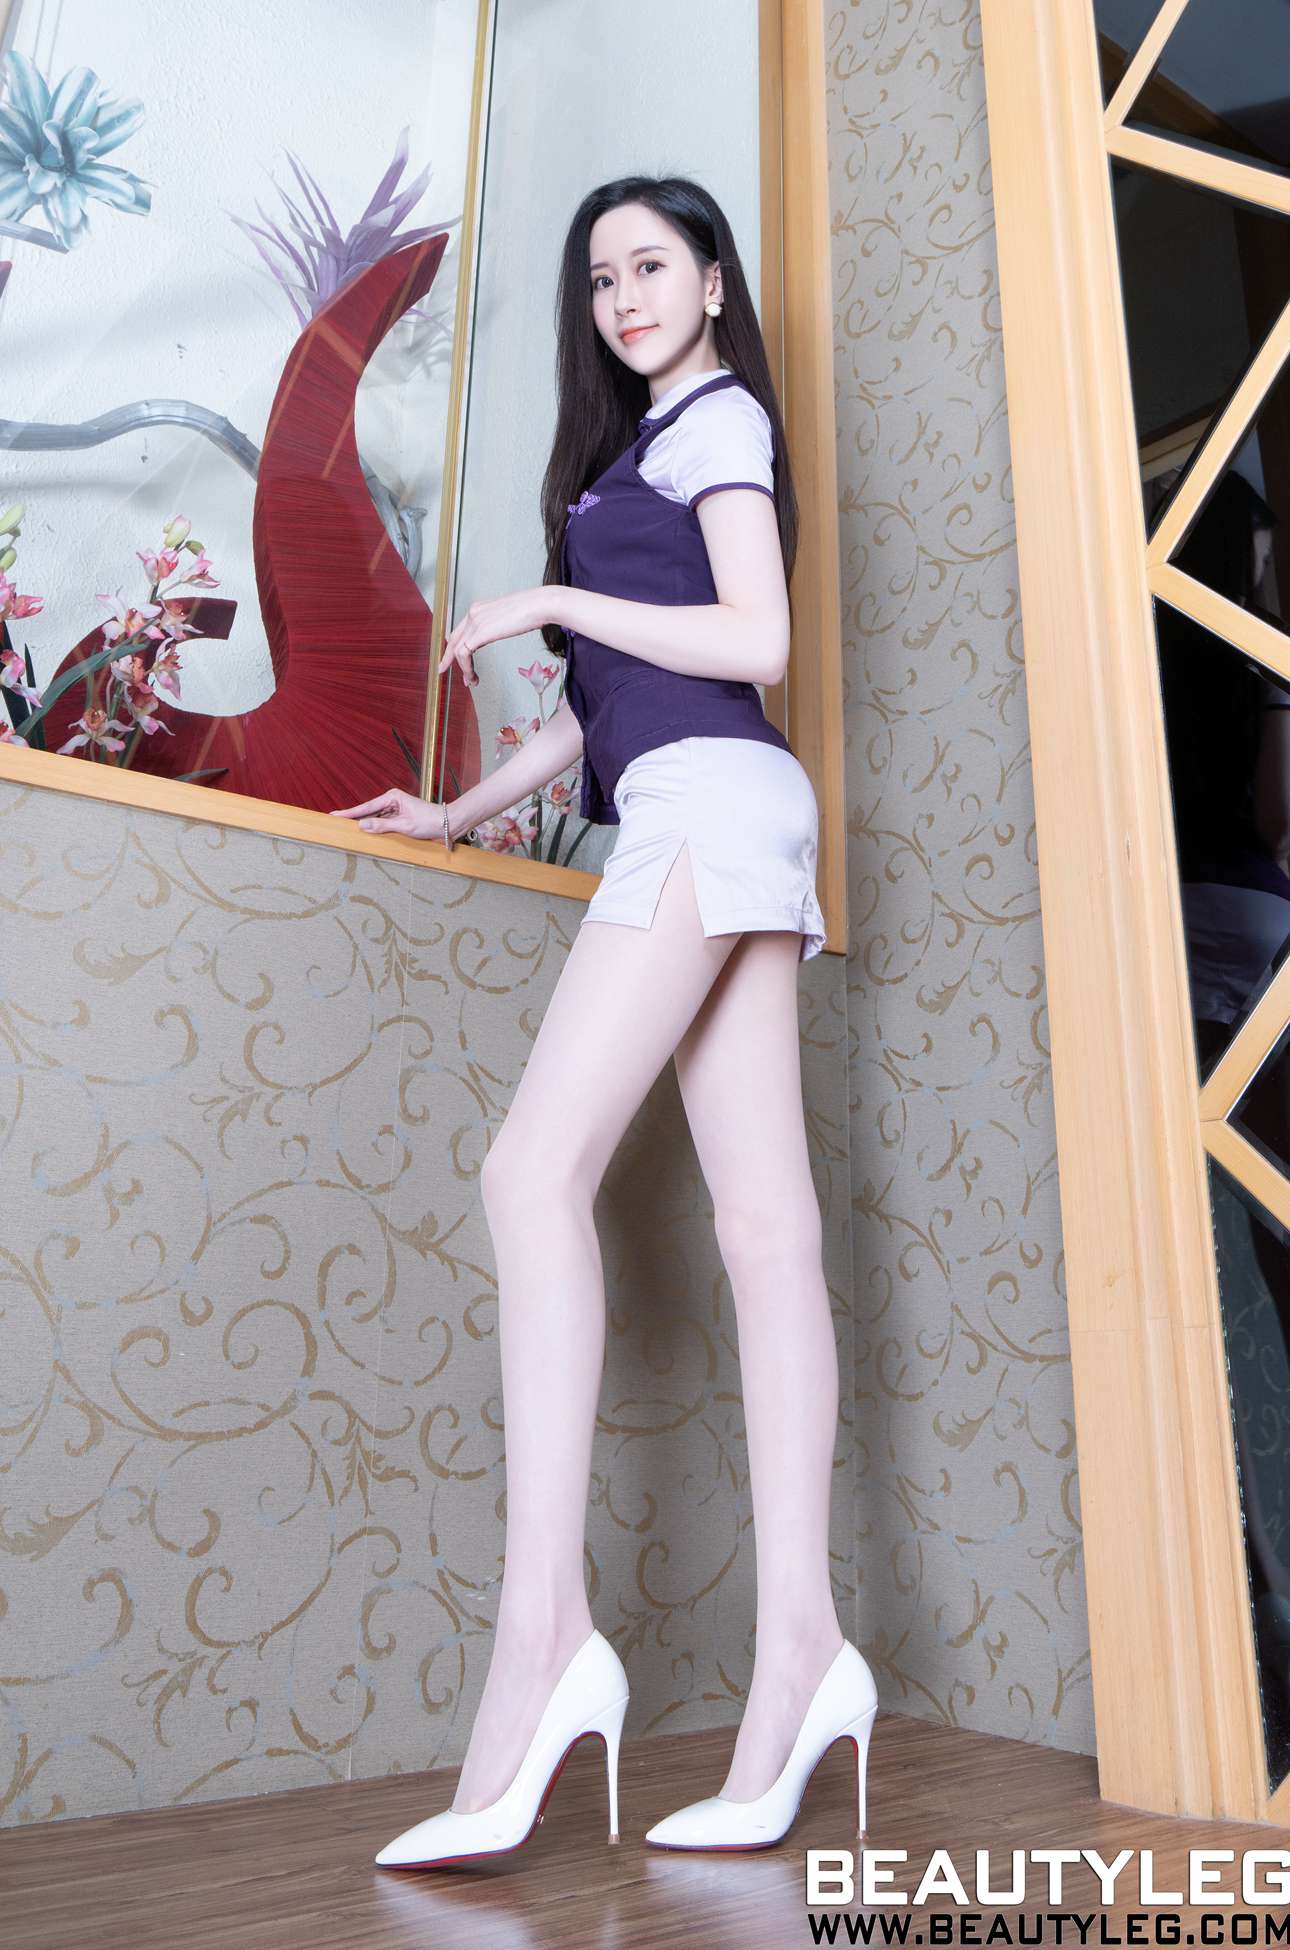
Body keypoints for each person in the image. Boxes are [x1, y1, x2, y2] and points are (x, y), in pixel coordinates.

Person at [330, 174, 878, 1867]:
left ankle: (546, 1633)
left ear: (713, 282)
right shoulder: (633, 456)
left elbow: (756, 639)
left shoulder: (720, 426)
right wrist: (462, 807)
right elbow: (608, 712)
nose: (624, 295)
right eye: (600, 278)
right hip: (714, 800)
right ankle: (806, 1650)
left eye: (652, 264)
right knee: (765, 1231)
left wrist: (554, 600)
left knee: (530, 1173)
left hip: (712, 802)